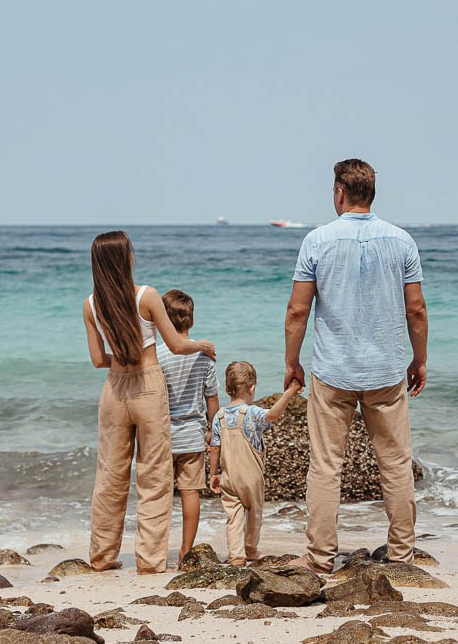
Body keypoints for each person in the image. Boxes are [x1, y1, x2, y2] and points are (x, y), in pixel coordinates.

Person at [284, 159, 428, 574]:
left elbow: (297, 311)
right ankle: (402, 554)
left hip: (332, 370)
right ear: (371, 194)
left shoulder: (317, 241)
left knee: (326, 465)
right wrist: (419, 360)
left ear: (339, 193)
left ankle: (320, 557)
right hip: (385, 369)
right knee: (396, 464)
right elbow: (415, 310)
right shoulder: (402, 241)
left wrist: (291, 362)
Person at [82, 231, 216, 574]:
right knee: (153, 476)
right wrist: (202, 344)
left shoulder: (91, 305)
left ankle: (101, 556)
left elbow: (98, 360)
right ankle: (151, 561)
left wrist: (121, 358)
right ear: (126, 258)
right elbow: (175, 345)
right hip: (148, 387)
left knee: (110, 475)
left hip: (114, 392)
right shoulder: (147, 295)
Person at [208, 361, 302, 566]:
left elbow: (214, 447)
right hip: (251, 475)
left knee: (233, 516)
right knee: (254, 512)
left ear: (227, 388)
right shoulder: (252, 413)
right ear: (251, 388)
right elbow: (273, 415)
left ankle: (236, 555)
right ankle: (250, 549)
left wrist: (213, 474)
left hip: (228, 475)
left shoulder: (219, 417)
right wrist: (289, 393)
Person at [155, 289, 221, 561]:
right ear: (191, 322)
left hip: (162, 435)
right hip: (192, 435)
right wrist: (211, 431)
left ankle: (155, 551)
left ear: (162, 322)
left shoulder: (157, 356)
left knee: (158, 495)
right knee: (190, 492)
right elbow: (212, 400)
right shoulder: (204, 356)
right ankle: (185, 551)